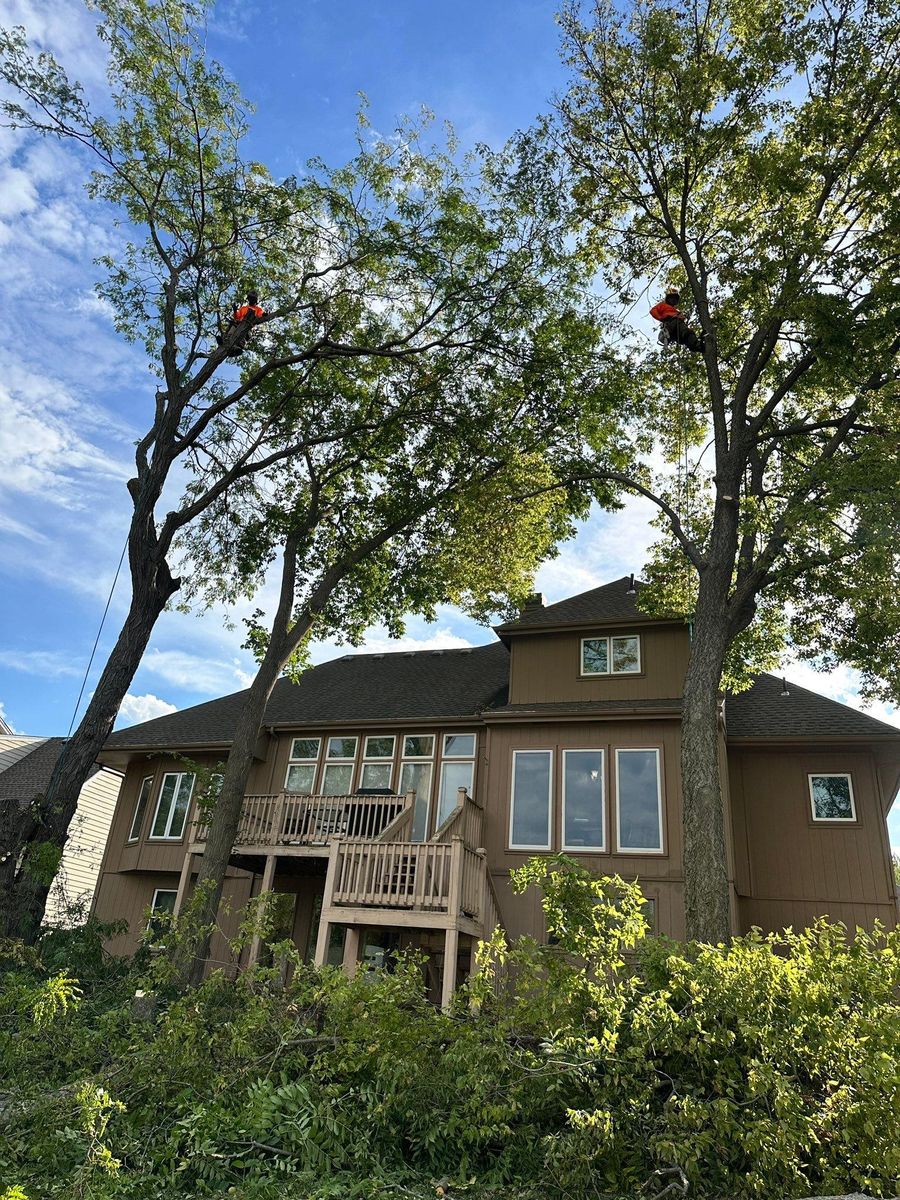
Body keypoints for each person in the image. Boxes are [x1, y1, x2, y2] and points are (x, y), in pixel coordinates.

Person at [216, 291, 264, 355]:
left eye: (252, 298)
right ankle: (224, 343)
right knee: (230, 332)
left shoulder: (258, 309)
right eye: (250, 298)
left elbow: (260, 316)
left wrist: (264, 315)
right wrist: (235, 311)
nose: (251, 300)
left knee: (242, 337)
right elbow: (237, 317)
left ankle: (237, 349)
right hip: (238, 324)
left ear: (255, 300)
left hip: (248, 327)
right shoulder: (243, 308)